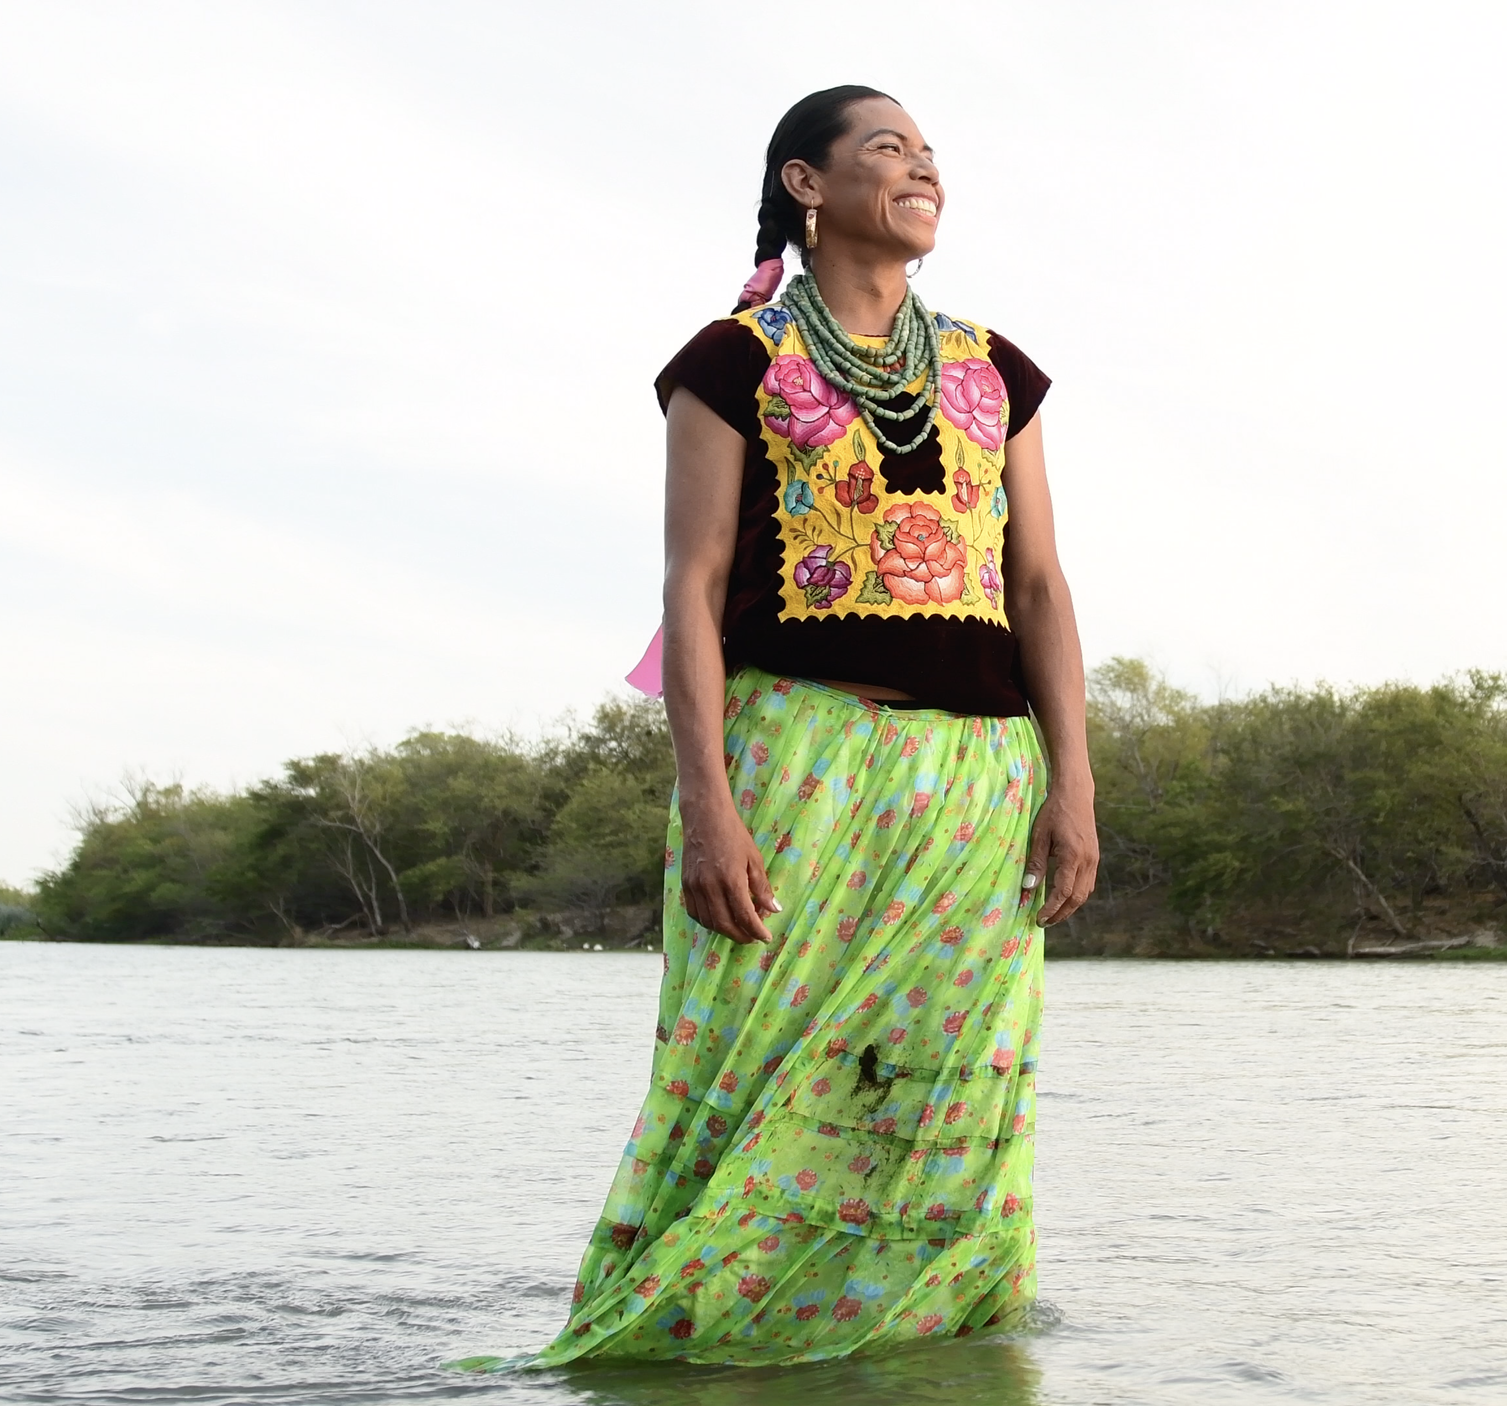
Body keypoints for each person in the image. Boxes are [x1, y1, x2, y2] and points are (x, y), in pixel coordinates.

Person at [455, 84, 1096, 1369]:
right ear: (808, 184)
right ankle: (693, 1340)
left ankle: (914, 1345)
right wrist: (708, 804)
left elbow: (1037, 585)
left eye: (929, 154)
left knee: (942, 1080)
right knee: (745, 1062)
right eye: (888, 147)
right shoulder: (731, 361)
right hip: (792, 752)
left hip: (974, 775)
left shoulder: (992, 369)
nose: (923, 168)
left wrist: (1071, 783)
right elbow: (689, 587)